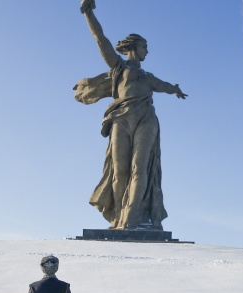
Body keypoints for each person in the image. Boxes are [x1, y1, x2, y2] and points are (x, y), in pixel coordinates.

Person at [76, 0, 187, 231]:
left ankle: (131, 220)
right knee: (120, 171)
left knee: (140, 167)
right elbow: (101, 39)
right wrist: (88, 13)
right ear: (134, 47)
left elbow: (164, 85)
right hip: (121, 119)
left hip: (146, 120)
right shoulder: (119, 67)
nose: (147, 51)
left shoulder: (148, 77)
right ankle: (118, 217)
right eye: (145, 47)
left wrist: (175, 89)